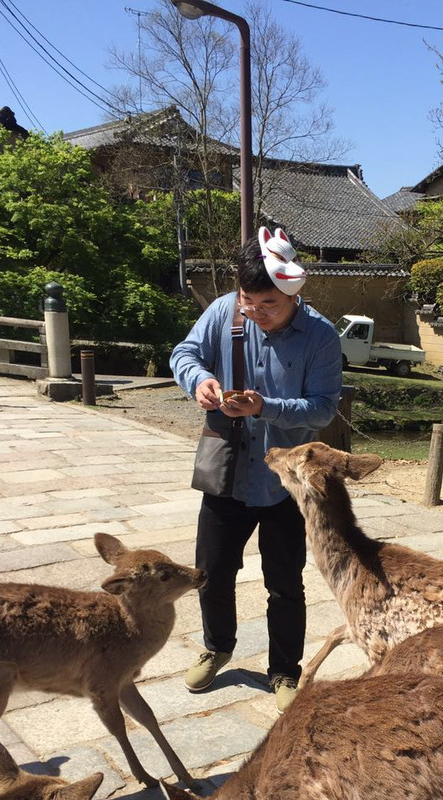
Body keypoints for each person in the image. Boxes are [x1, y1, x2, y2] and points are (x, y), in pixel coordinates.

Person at [170, 226, 343, 712]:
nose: (254, 312)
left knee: (285, 580)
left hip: (286, 480)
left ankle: (285, 670)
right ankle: (217, 646)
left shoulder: (320, 336)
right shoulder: (225, 312)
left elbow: (323, 408)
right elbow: (183, 353)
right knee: (211, 570)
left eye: (267, 305)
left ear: (293, 293)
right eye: (248, 300)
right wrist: (200, 380)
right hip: (228, 468)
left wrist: (266, 407)